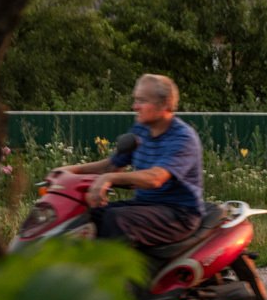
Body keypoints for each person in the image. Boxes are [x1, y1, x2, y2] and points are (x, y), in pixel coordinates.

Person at [60, 74, 204, 247]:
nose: (135, 106)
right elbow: (111, 165)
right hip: (145, 205)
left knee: (114, 221)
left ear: (165, 103)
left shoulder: (182, 137)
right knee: (88, 216)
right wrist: (68, 171)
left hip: (179, 214)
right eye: (136, 100)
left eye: (142, 101)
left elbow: (155, 178)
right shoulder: (142, 129)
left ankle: (119, 273)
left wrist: (109, 179)